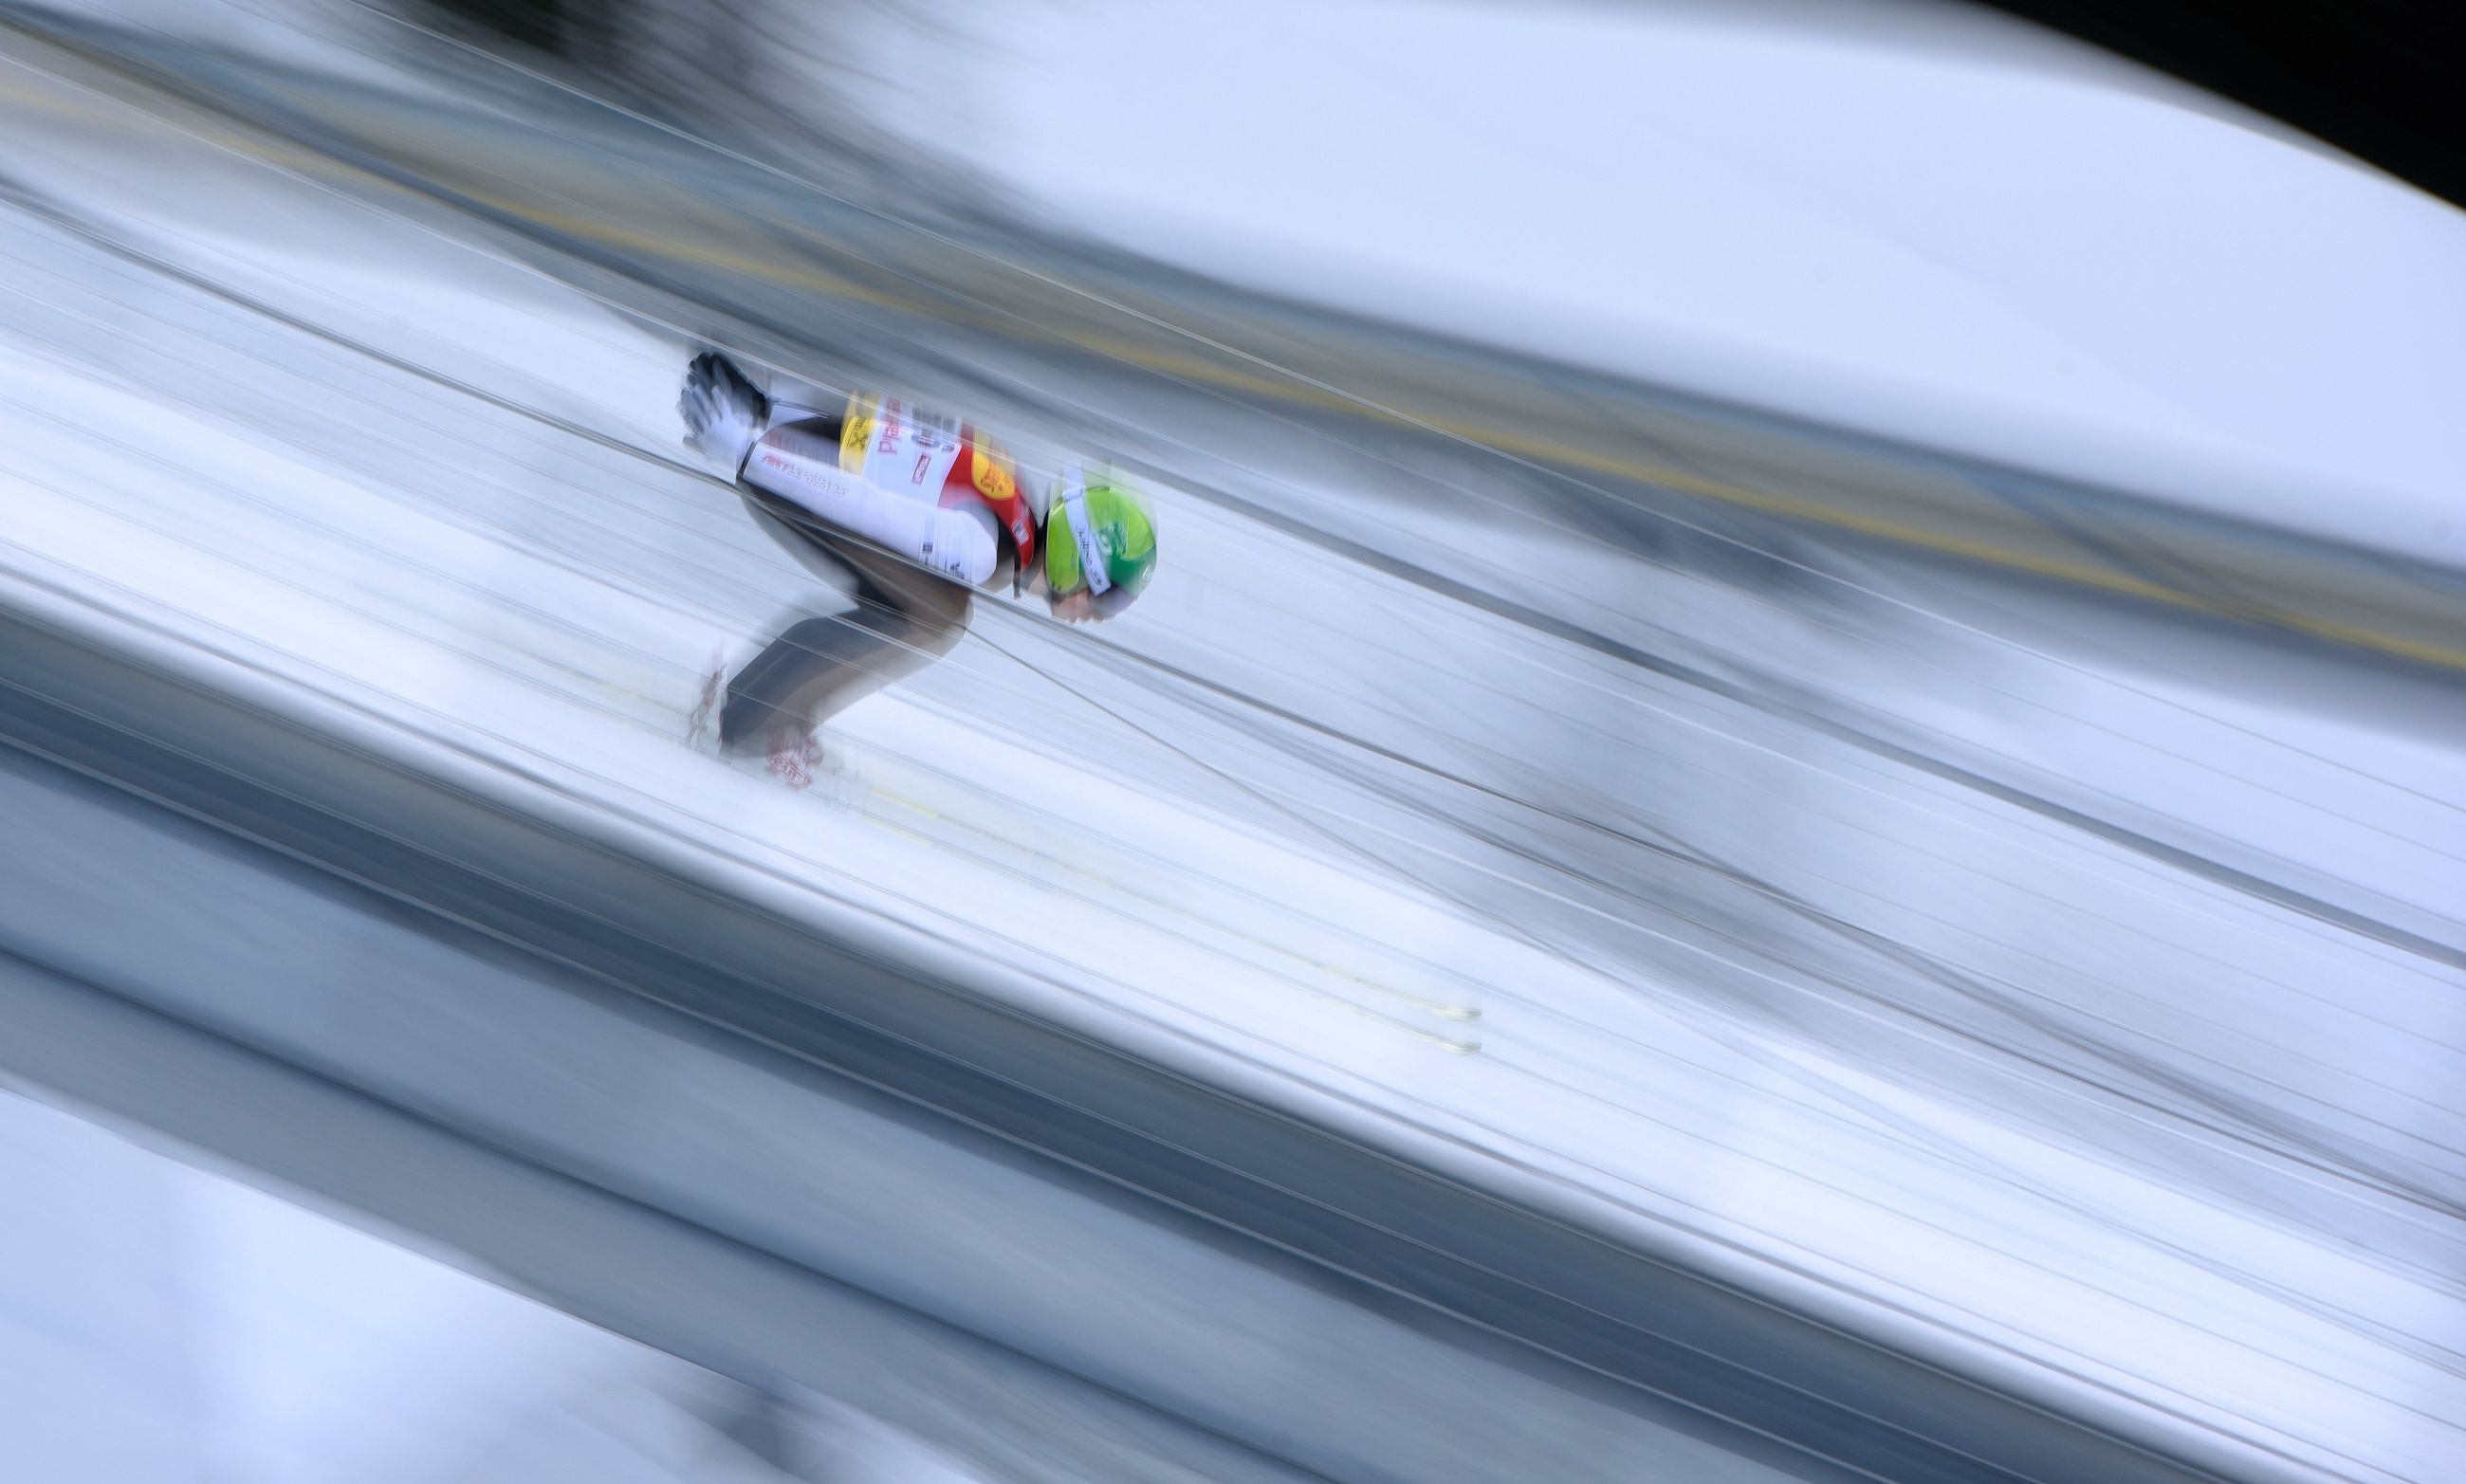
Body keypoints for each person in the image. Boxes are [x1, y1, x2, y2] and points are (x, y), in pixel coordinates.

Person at [676, 351, 1157, 782]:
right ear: (1080, 562)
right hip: (792, 472)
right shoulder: (978, 546)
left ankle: (758, 711)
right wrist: (747, 448)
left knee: (933, 612)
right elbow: (867, 505)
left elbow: (878, 428)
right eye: (1106, 598)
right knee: (936, 619)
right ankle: (751, 729)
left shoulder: (1007, 494)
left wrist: (765, 409)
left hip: (783, 443)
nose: (1097, 615)